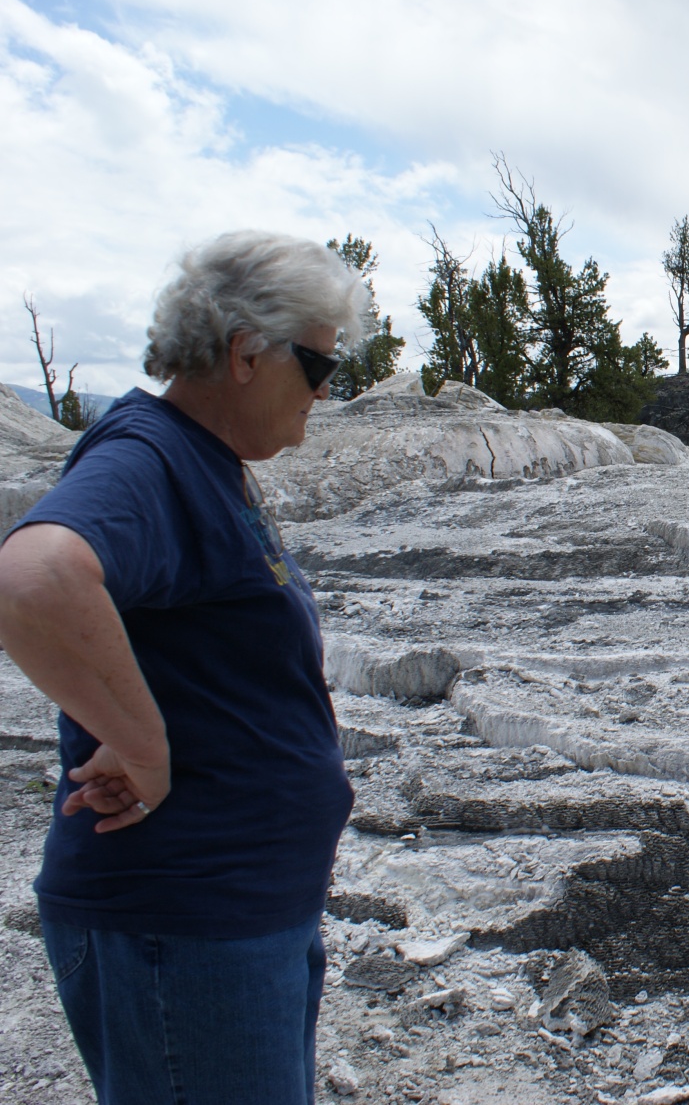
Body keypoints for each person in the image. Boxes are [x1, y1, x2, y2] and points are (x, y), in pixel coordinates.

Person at [0, 232, 367, 1104]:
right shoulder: (149, 456)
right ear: (246, 354)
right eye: (319, 365)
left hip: (234, 913)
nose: (326, 392)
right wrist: (141, 744)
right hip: (184, 926)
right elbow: (33, 577)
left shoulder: (201, 459)